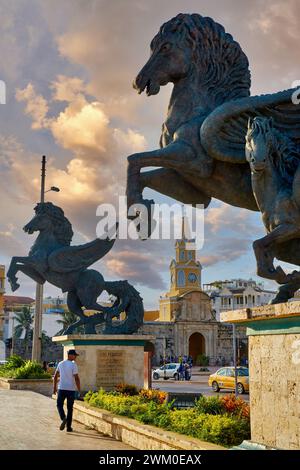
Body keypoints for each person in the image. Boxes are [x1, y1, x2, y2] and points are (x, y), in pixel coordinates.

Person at [53, 349, 81, 433]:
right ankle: (68, 427)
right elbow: (76, 378)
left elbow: (55, 377)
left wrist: (54, 389)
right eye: (74, 355)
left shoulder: (60, 363)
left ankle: (63, 418)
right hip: (71, 390)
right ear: (70, 355)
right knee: (70, 408)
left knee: (59, 405)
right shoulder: (73, 365)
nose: (75, 357)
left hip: (61, 389)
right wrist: (79, 389)